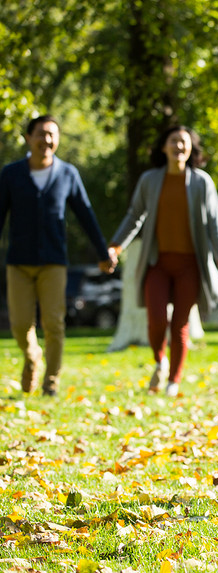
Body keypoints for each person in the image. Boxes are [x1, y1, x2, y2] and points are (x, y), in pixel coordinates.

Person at [108, 125, 218, 398]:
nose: (178, 147)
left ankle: (174, 380)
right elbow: (134, 216)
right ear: (164, 147)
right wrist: (115, 246)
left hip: (190, 266)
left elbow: (215, 223)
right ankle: (160, 361)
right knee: (155, 320)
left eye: (183, 142)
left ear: (191, 149)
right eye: (173, 141)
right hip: (158, 264)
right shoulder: (150, 180)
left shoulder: (202, 182)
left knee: (180, 325)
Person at [0, 115, 116, 396]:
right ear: (29, 138)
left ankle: (50, 383)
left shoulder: (68, 174)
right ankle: (32, 357)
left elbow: (86, 215)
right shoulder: (11, 174)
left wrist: (103, 253)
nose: (47, 140)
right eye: (41, 134)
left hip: (54, 262)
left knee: (54, 323)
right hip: (19, 263)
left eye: (52, 135)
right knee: (19, 325)